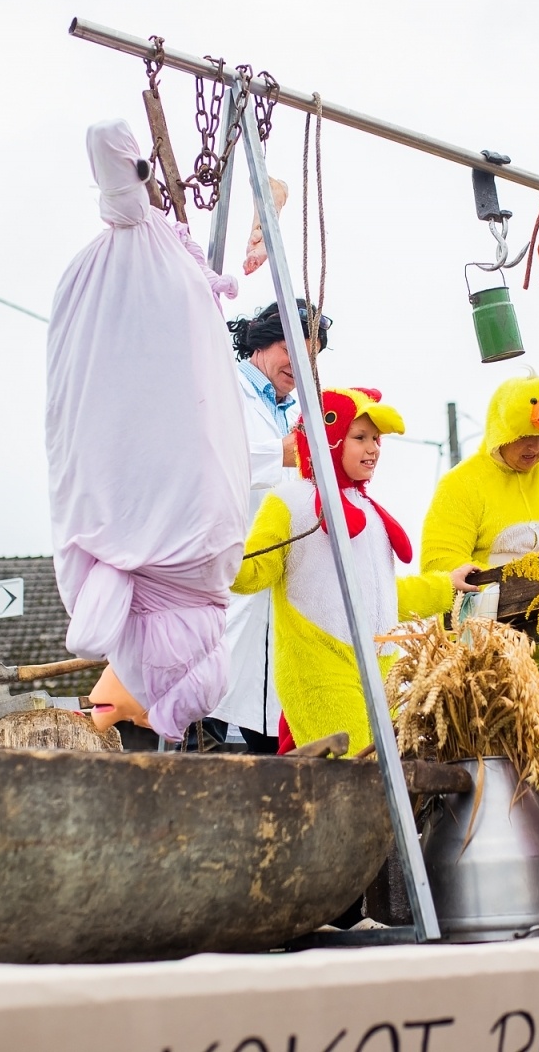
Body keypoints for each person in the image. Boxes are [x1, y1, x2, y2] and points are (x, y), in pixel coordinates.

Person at [46, 119, 248, 742]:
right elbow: (87, 632)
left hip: (195, 458)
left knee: (167, 396)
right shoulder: (136, 590)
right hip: (142, 447)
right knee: (117, 407)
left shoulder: (221, 570)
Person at [231, 387, 479, 753]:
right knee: (350, 780)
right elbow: (253, 572)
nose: (373, 448)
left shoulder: (369, 512)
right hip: (319, 668)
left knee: (377, 787)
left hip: (380, 673)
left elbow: (387, 595)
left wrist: (448, 587)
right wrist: (215, 555)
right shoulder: (290, 502)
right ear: (328, 439)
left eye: (376, 439)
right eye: (360, 437)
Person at [420, 374, 539, 839]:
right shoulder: (462, 486)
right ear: (502, 430)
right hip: (490, 656)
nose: (535, 447)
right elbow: (441, 563)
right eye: (525, 436)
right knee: (509, 767)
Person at [204, 301, 328, 753]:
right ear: (261, 341)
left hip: (273, 561)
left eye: (309, 357)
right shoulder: (224, 385)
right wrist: (284, 453)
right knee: (213, 687)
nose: (298, 365)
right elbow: (212, 452)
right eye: (290, 350)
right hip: (226, 554)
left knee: (264, 693)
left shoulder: (294, 408)